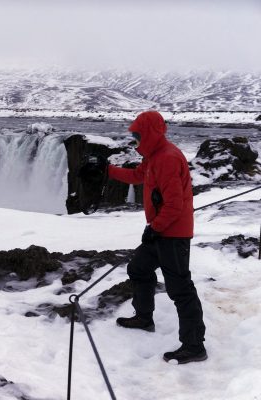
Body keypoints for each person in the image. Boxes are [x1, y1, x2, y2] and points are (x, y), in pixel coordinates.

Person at [82, 110, 207, 364]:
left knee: (180, 289)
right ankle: (144, 317)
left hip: (172, 233)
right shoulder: (154, 156)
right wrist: (108, 169)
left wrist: (155, 227)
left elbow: (175, 204)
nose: (134, 139)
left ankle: (194, 346)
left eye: (137, 135)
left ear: (149, 134)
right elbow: (138, 176)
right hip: (161, 230)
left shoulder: (168, 158)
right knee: (139, 269)